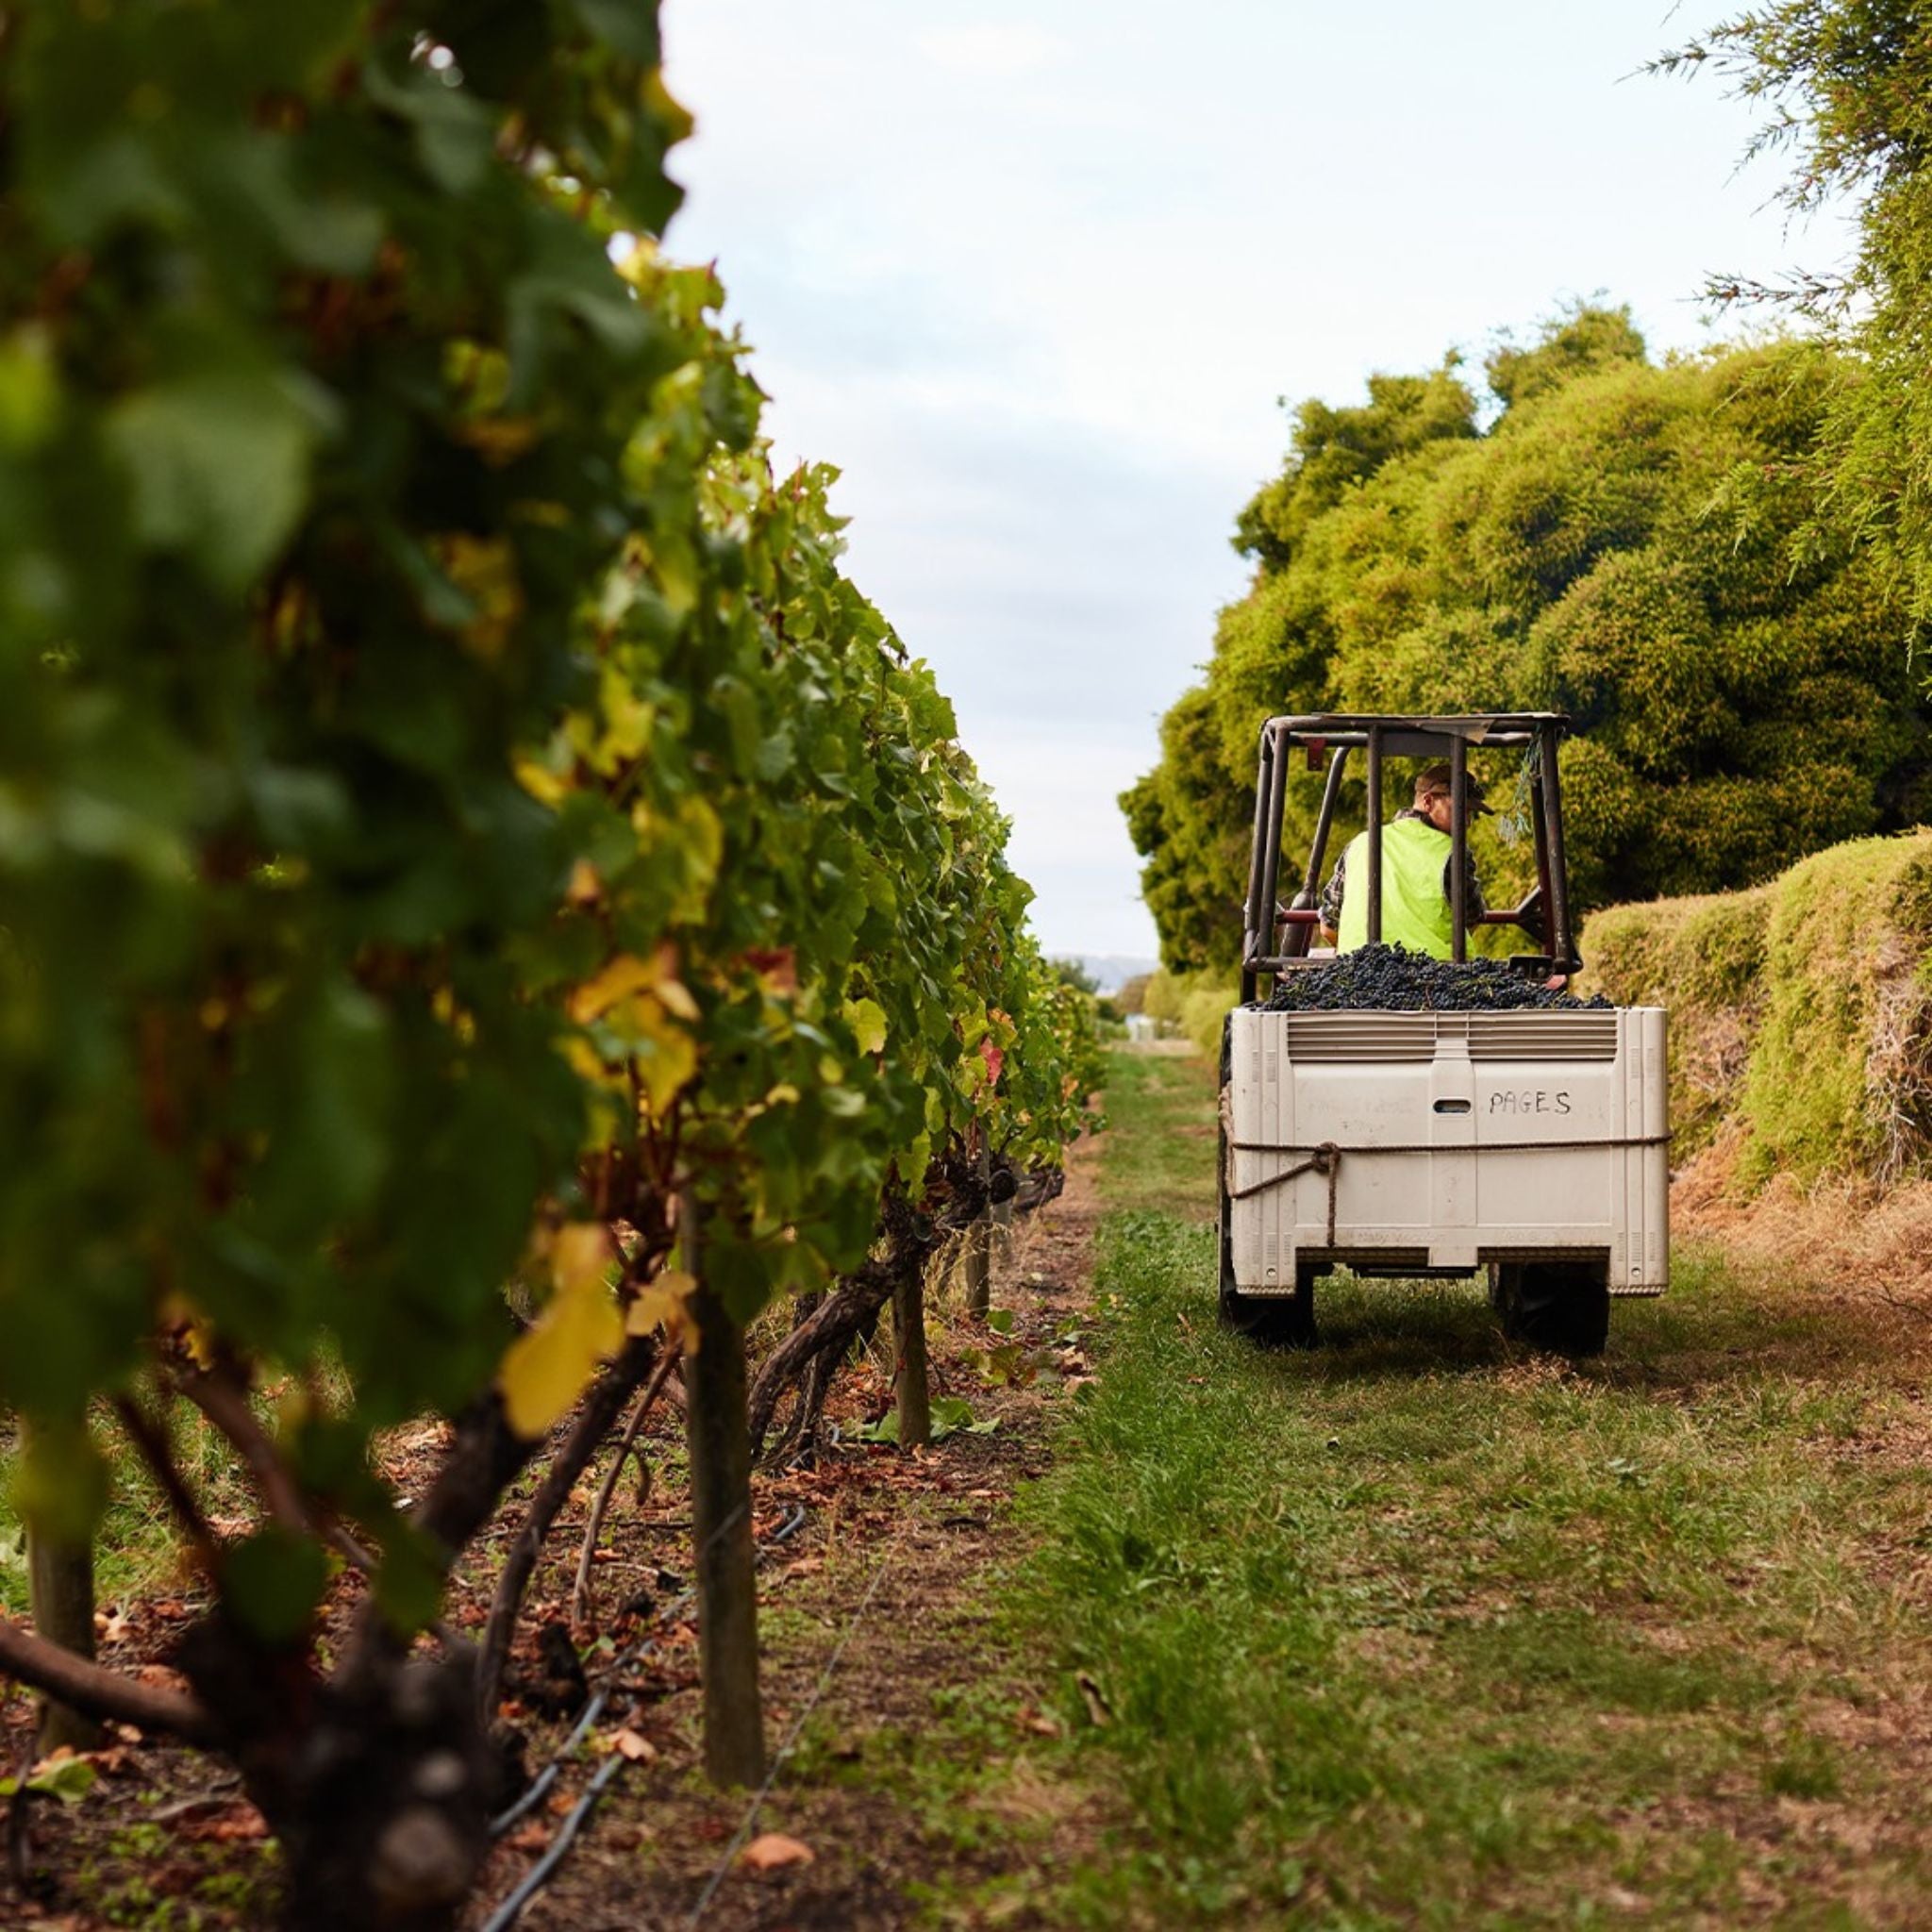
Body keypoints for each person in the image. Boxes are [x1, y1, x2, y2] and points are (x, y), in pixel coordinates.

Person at [1318, 760, 1488, 957]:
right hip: (1435, 980)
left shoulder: (1360, 844)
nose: (1467, 823)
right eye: (1460, 811)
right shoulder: (1452, 853)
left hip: (1358, 979)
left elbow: (1328, 927)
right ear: (1428, 801)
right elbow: (1473, 917)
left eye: (1470, 814)